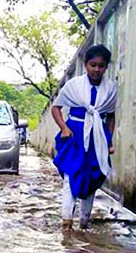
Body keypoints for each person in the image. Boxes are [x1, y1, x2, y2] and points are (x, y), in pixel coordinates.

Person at [51, 44, 118, 231]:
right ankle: (66, 225)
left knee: (93, 177)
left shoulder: (110, 89)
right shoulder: (73, 86)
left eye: (101, 66)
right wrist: (64, 128)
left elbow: (111, 116)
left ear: (106, 67)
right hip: (75, 135)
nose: (97, 69)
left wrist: (109, 139)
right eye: (93, 65)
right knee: (71, 176)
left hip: (97, 137)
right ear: (86, 65)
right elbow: (56, 107)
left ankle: (84, 224)